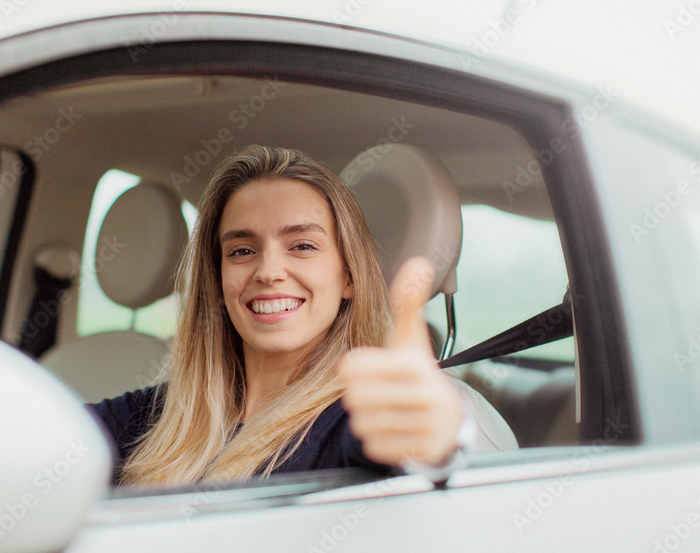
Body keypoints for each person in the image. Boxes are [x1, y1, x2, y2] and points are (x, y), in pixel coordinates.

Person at [89, 144, 472, 487]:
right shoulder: (160, 413)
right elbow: (45, 438)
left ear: (349, 278)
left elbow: (409, 455)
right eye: (241, 251)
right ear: (218, 282)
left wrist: (437, 447)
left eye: (302, 245)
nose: (268, 271)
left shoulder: (358, 419)